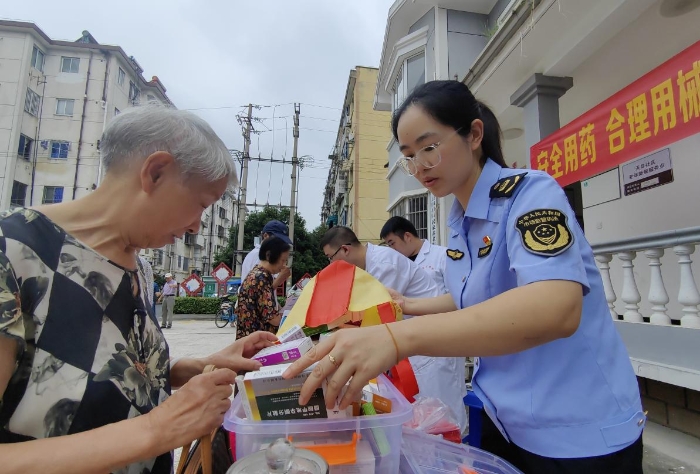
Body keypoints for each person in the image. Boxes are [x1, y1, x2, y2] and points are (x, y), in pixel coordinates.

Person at [285, 81, 644, 474]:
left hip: (577, 429)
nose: (419, 166)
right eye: (408, 156)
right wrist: (406, 306)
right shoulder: (459, 221)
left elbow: (555, 307)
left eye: (429, 148)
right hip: (502, 418)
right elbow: (473, 297)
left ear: (474, 135)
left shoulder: (531, 195)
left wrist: (395, 338)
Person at [0, 104, 278, 474]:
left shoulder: (139, 267)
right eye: (200, 205)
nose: (197, 226)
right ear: (156, 172)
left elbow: (114, 371)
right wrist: (157, 429)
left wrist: (193, 368)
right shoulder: (14, 253)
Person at [319, 226, 467, 434]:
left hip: (433, 340)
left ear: (344, 250)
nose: (330, 264)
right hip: (415, 338)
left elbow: (377, 317)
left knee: (444, 415)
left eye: (330, 257)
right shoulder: (367, 265)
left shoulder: (383, 264)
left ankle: (456, 462)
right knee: (425, 415)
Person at [236, 236, 291, 340]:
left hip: (248, 341)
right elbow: (273, 318)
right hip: (256, 344)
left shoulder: (257, 273)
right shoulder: (261, 278)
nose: (284, 265)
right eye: (283, 260)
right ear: (269, 256)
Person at [380, 216, 448, 293]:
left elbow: (455, 297)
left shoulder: (442, 255)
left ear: (407, 236)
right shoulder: (397, 263)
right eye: (389, 246)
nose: (392, 249)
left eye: (392, 243)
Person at [240, 220, 293, 287]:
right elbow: (261, 288)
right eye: (277, 241)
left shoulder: (259, 255)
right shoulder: (257, 255)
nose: (281, 245)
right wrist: (281, 277)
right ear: (265, 236)